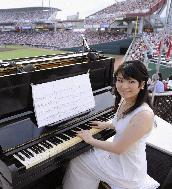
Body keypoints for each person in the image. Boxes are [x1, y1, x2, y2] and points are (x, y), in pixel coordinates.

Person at [63, 60, 159, 189]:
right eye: (120, 80)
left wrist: (90, 139)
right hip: (118, 160)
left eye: (131, 81)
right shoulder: (126, 100)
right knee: (83, 157)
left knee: (78, 160)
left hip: (125, 171)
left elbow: (118, 148)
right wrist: (107, 125)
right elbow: (125, 125)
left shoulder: (144, 114)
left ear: (142, 84)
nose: (124, 86)